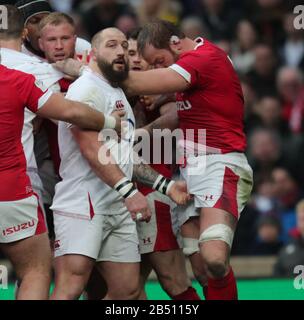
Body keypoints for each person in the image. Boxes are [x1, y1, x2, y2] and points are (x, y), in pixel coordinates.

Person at [50, 27, 190, 300]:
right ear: (93, 53)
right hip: (84, 201)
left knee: (127, 290)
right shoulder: (86, 89)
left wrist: (166, 186)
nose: (121, 52)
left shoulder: (116, 92)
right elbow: (91, 148)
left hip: (116, 202)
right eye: (112, 45)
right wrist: (131, 192)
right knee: (71, 286)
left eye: (125, 47)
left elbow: (123, 156)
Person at [121, 20, 254, 300]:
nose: (159, 69)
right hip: (188, 172)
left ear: (174, 42)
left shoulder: (202, 58)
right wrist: (145, 128)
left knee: (215, 259)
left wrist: (90, 69)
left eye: (159, 61)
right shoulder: (196, 65)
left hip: (219, 165)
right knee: (201, 268)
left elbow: (136, 81)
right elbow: (182, 111)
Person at [128, 28, 200, 300]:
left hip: (154, 196)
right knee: (128, 288)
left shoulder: (159, 92)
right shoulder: (115, 90)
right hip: (120, 198)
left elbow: (174, 117)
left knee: (173, 281)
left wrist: (136, 135)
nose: (134, 60)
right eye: (129, 52)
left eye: (140, 55)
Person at [16, 0, 91, 59]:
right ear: (23, 30)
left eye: (48, 19)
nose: (43, 26)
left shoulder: (82, 48)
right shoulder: (17, 56)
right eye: (35, 21)